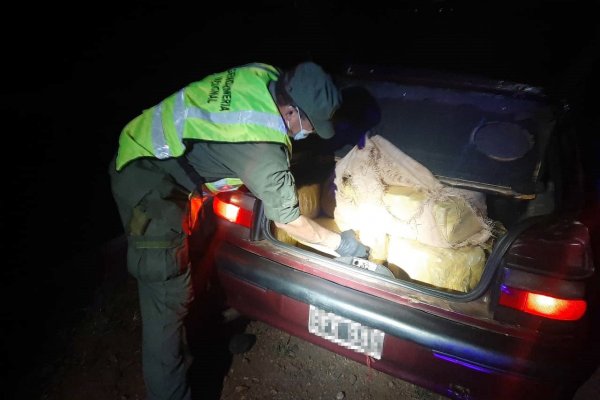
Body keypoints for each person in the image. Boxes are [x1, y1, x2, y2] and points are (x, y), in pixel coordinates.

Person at [108, 61, 370, 400]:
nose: (308, 133)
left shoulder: (265, 77)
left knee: (199, 259)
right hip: (147, 179)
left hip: (175, 172)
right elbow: (289, 221)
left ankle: (208, 341)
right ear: (290, 110)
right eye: (308, 124)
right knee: (167, 295)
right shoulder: (263, 148)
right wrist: (342, 245)